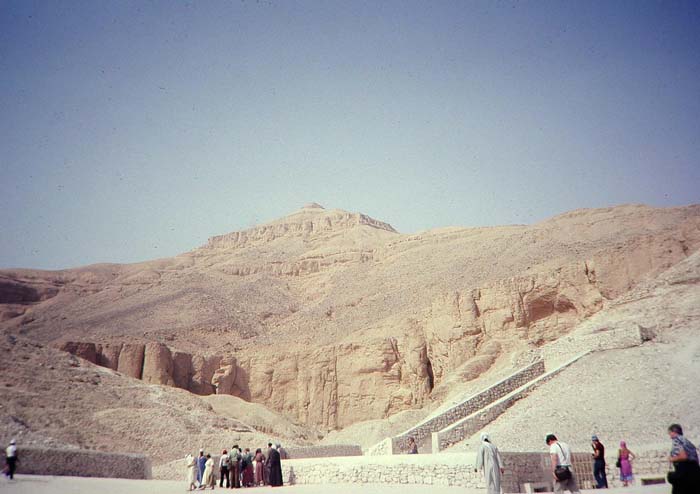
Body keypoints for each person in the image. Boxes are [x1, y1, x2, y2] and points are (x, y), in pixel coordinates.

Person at [667, 424, 700, 494]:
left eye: (669, 433)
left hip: (684, 473)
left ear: (674, 432)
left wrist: (672, 459)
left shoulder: (677, 440)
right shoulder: (687, 441)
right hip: (695, 472)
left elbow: (683, 456)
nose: (670, 436)